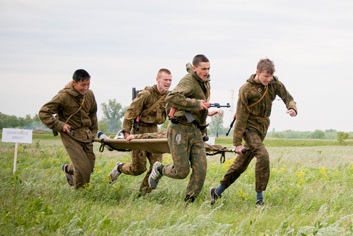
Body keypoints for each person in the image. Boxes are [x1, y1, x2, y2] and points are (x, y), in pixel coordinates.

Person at [210, 58, 298, 206]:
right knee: (263, 156)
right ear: (257, 72)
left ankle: (217, 191)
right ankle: (259, 199)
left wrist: (292, 108)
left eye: (270, 77)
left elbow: (288, 97)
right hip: (248, 127)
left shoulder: (274, 83)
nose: (268, 79)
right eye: (265, 76)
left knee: (241, 163)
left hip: (262, 127)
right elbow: (241, 117)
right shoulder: (246, 89)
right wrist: (237, 143)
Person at [148, 55, 211, 206]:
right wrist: (196, 103)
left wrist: (203, 129)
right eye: (203, 69)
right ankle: (160, 169)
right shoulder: (188, 81)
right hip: (179, 129)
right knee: (181, 171)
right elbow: (171, 97)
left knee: (201, 170)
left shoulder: (205, 82)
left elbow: (201, 109)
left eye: (208, 68)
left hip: (195, 129)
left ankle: (188, 203)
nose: (207, 72)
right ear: (195, 68)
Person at [108, 68, 172, 195]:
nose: (168, 83)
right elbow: (129, 113)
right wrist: (126, 133)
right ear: (157, 80)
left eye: (170, 80)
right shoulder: (146, 95)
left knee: (156, 166)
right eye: (165, 80)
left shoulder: (169, 97)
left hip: (154, 133)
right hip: (138, 131)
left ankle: (142, 195)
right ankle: (120, 167)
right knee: (138, 169)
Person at [39, 69, 98, 189]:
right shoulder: (63, 96)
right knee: (83, 168)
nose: (86, 88)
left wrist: (93, 133)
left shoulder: (90, 95)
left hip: (86, 135)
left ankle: (67, 169)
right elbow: (44, 112)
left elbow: (93, 114)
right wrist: (61, 126)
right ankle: (81, 194)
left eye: (88, 84)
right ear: (74, 83)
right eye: (83, 85)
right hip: (70, 135)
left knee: (89, 167)